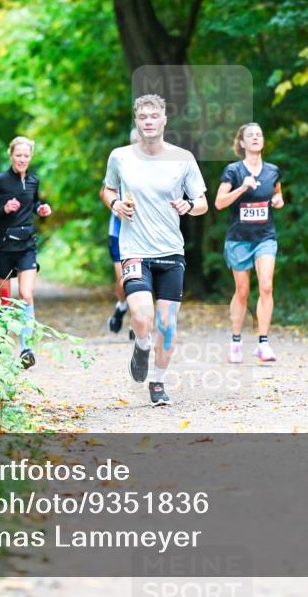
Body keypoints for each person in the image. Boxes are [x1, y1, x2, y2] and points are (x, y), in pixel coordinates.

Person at [101, 94, 208, 406]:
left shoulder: (182, 158)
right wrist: (115, 203)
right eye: (143, 117)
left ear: (164, 120)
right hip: (135, 249)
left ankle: (158, 383)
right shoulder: (120, 157)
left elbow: (202, 202)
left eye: (154, 116)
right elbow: (106, 189)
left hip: (172, 252)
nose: (148, 121)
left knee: (168, 326)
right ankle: (142, 345)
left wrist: (188, 205)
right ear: (137, 122)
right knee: (142, 316)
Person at [0, 136, 52, 369]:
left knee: (27, 295)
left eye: (26, 155)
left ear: (30, 157)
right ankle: (0, 341)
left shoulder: (33, 181)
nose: (22, 159)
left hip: (26, 244)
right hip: (3, 245)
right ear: (11, 155)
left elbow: (35, 204)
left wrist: (42, 209)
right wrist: (2, 209)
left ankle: (26, 348)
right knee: (5, 300)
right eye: (18, 155)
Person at [214, 122, 284, 363]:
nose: (255, 138)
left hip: (265, 237)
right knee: (242, 291)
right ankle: (236, 339)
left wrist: (278, 200)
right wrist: (242, 188)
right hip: (239, 239)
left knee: (266, 286)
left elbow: (277, 192)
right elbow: (219, 203)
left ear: (263, 141)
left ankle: (263, 344)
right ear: (242, 143)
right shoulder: (233, 171)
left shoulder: (273, 170)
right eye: (250, 135)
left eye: (259, 134)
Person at [99, 129, 141, 338]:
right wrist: (117, 207)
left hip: (144, 234)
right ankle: (121, 305)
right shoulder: (119, 163)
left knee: (141, 279)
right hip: (118, 233)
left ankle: (136, 323)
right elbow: (104, 191)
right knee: (125, 280)